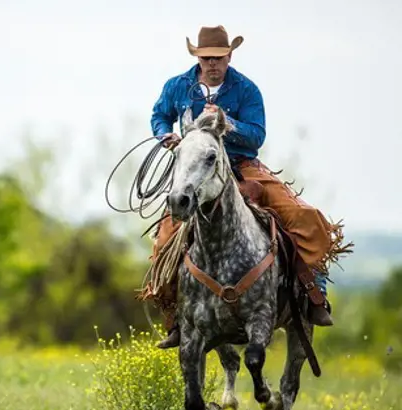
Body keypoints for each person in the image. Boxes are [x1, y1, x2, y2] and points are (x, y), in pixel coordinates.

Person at [143, 25, 337, 349]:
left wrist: (227, 122)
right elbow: (159, 115)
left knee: (303, 216)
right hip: (195, 171)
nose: (212, 64)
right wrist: (166, 136)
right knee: (165, 239)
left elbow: (257, 135)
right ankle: (176, 317)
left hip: (242, 168)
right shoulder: (177, 86)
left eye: (219, 58)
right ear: (197, 57)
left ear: (229, 56)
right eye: (206, 58)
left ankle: (313, 292)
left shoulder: (247, 90)